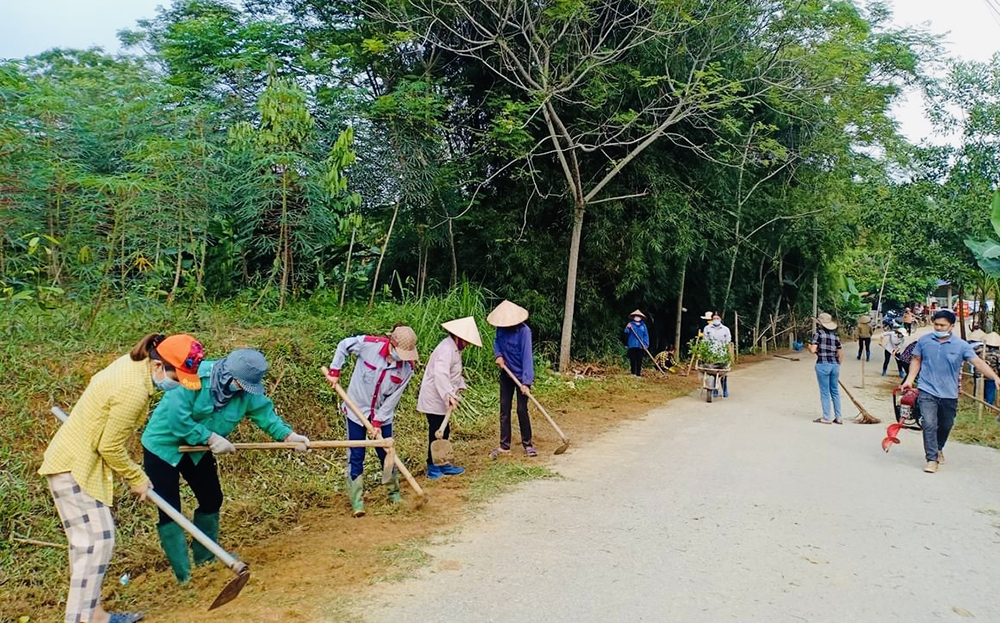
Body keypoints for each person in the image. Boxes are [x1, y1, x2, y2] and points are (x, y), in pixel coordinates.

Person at [40, 333, 205, 623]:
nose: (176, 384)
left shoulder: (132, 365)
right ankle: (81, 618)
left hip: (75, 462)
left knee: (89, 544)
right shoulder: (134, 388)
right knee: (96, 543)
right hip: (73, 467)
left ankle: (95, 615)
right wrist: (136, 477)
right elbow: (110, 447)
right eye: (176, 378)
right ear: (158, 366)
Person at [142, 348, 311, 582]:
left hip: (198, 452)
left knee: (212, 498)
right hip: (163, 446)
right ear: (228, 375)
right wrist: (210, 437)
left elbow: (264, 413)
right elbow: (176, 419)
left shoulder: (247, 390)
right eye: (241, 384)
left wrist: (288, 436)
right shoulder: (193, 376)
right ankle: (184, 576)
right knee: (170, 508)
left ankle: (206, 558)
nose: (244, 390)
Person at [323, 325, 419, 517]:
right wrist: (335, 371)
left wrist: (377, 421)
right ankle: (357, 501)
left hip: (382, 415)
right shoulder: (369, 345)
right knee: (356, 455)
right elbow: (344, 345)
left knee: (387, 453)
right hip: (356, 410)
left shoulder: (407, 369)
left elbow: (393, 398)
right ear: (392, 344)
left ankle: (394, 493)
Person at [901, 309, 1000, 473]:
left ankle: (938, 447)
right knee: (929, 423)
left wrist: (995, 377)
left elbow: (978, 363)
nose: (938, 328)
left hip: (949, 393)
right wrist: (910, 379)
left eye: (942, 325)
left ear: (951, 326)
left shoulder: (961, 346)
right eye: (936, 324)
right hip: (927, 390)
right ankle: (931, 459)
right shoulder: (924, 341)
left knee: (946, 424)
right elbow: (916, 360)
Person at [417, 317, 482, 479]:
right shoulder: (446, 349)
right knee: (436, 431)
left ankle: (443, 463)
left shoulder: (455, 349)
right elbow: (441, 375)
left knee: (445, 430)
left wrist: (459, 387)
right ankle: (433, 465)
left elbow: (454, 373)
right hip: (434, 397)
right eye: (466, 341)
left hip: (443, 397)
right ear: (458, 337)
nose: (467, 344)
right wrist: (449, 395)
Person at [488, 300, 536, 459]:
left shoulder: (524, 332)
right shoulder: (500, 329)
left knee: (522, 409)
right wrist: (499, 355)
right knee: (504, 408)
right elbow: (497, 343)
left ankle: (528, 444)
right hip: (507, 374)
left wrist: (526, 382)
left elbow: (527, 357)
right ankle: (504, 445)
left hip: (522, 375)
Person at [809, 312, 843, 424]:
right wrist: (837, 365)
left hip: (823, 364)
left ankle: (826, 417)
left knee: (825, 392)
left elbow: (813, 350)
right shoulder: (835, 336)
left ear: (820, 324)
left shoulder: (818, 334)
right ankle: (838, 417)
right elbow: (840, 354)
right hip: (834, 365)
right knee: (835, 391)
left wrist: (809, 347)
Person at [702, 311, 732, 397]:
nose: (716, 320)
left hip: (722, 353)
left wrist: (723, 347)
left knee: (722, 372)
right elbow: (705, 340)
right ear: (712, 319)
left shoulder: (725, 329)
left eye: (717, 318)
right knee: (712, 372)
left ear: (720, 319)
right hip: (711, 353)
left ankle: (725, 389)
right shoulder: (707, 328)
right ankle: (714, 388)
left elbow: (728, 340)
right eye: (714, 318)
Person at [624, 310, 650, 377]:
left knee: (639, 360)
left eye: (638, 316)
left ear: (641, 317)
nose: (637, 317)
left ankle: (638, 374)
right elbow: (626, 332)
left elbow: (645, 335)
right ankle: (633, 373)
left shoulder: (643, 326)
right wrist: (627, 327)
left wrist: (646, 344)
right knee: (633, 359)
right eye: (636, 316)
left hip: (640, 345)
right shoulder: (630, 324)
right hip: (632, 344)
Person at [983, 332, 1000, 406]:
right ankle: (989, 404)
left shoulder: (983, 352)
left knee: (983, 388)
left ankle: (984, 402)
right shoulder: (998, 354)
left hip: (982, 373)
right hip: (993, 374)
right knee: (991, 389)